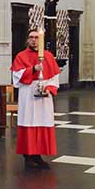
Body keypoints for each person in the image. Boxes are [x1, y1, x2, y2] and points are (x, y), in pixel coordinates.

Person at [11, 29, 60, 169]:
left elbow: (54, 77)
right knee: (28, 122)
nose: (33, 40)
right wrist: (33, 69)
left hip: (43, 96)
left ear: (41, 40)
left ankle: (38, 155)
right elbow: (16, 76)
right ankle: (28, 155)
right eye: (31, 37)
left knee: (41, 122)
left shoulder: (48, 56)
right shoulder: (21, 56)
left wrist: (49, 88)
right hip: (28, 93)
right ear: (27, 40)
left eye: (36, 37)